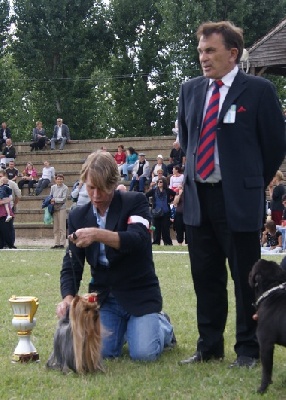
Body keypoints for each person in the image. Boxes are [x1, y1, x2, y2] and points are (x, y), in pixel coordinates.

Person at [178, 21, 286, 368]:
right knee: (205, 276)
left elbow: (274, 145)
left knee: (245, 279)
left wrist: (250, 182)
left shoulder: (259, 90)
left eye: (211, 51)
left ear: (233, 53)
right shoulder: (190, 90)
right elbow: (188, 138)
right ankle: (208, 346)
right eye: (200, 51)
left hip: (237, 200)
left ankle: (248, 350)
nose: (203, 58)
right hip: (199, 200)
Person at [57, 151, 175, 361]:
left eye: (102, 188)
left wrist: (96, 234)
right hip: (106, 298)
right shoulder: (77, 215)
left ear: (113, 184)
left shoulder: (135, 201)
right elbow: (71, 263)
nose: (95, 195)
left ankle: (162, 325)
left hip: (139, 294)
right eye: (90, 187)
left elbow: (137, 240)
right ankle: (131, 329)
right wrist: (67, 298)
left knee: (144, 354)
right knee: (104, 352)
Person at [146, 177, 176, 245]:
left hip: (165, 212)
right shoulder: (154, 190)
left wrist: (170, 201)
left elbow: (175, 194)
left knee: (165, 229)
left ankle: (167, 243)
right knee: (156, 229)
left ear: (164, 183)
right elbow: (146, 195)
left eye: (161, 182)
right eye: (158, 182)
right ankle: (156, 242)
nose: (159, 183)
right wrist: (150, 204)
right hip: (156, 212)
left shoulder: (168, 190)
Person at [0, 169, 21, 248]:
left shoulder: (11, 184)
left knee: (8, 228)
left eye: (1, 176)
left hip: (7, 209)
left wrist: (13, 204)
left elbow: (17, 195)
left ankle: (10, 244)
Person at [50, 174, 68, 249]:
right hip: (54, 208)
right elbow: (50, 196)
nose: (59, 180)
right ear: (55, 180)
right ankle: (56, 243)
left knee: (62, 226)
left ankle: (62, 243)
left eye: (61, 179)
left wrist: (55, 199)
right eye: (58, 179)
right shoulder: (53, 187)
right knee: (56, 226)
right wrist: (52, 200)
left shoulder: (65, 188)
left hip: (62, 208)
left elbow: (63, 199)